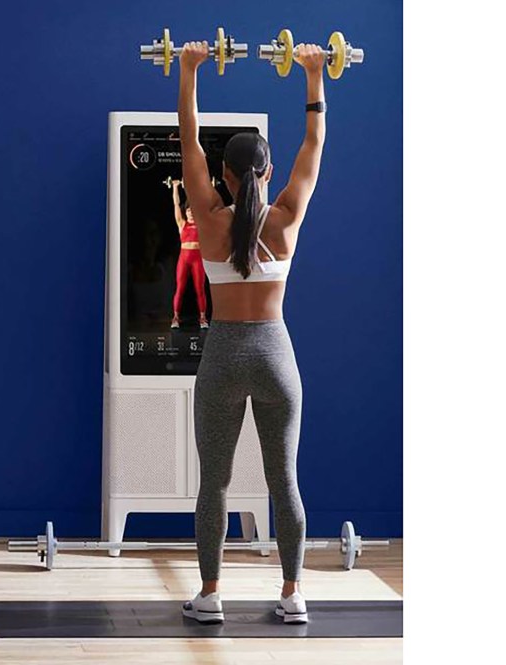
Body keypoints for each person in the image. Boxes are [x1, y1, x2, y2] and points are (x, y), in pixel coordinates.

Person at [176, 39, 328, 625]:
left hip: (223, 355)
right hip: (275, 355)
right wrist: (314, 76)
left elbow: (188, 136)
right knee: (282, 479)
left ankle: (211, 594)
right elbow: (312, 143)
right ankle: (293, 594)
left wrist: (189, 70)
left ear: (226, 176)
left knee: (213, 482)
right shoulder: (287, 218)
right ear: (266, 172)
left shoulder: (210, 222)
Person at [170, 179, 209, 330]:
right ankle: (175, 317)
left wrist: (208, 188)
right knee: (180, 288)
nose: (190, 213)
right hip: (184, 259)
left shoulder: (202, 224)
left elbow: (206, 204)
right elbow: (175, 204)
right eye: (188, 211)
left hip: (197, 259)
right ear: (185, 212)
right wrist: (175, 187)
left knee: (200, 288)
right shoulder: (182, 224)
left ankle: (203, 318)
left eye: (193, 211)